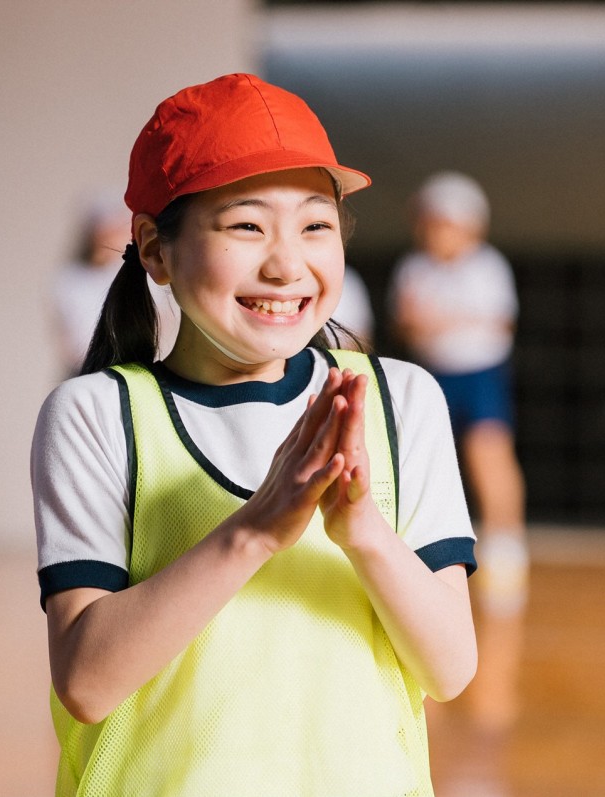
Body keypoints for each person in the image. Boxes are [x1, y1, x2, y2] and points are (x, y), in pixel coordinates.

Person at [31, 73, 478, 796]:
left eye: (315, 225)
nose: (286, 263)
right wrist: (256, 529)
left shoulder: (399, 401)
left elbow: (451, 668)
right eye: (245, 225)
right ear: (155, 250)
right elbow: (86, 681)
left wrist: (362, 528)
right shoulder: (98, 414)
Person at [388, 171, 528, 616]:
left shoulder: (488, 266)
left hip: (481, 375)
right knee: (429, 462)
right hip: (434, 376)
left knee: (489, 455)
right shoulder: (413, 267)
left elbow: (498, 323)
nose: (433, 233)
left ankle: (506, 546)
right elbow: (408, 323)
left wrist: (439, 319)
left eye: (443, 223)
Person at [51, 190, 180, 378]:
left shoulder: (145, 276)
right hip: (86, 371)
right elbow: (68, 338)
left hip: (134, 370)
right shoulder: (69, 280)